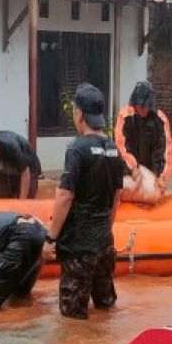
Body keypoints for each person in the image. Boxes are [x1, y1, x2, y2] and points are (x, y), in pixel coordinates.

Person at [43, 83, 125, 320]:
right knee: (105, 309)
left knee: (72, 321)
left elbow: (65, 195)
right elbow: (116, 197)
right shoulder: (113, 149)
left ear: (78, 114)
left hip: (79, 248)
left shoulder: (77, 149)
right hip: (105, 246)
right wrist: (104, 232)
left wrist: (50, 239)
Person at [114, 81, 172, 188]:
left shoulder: (160, 120)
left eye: (146, 107)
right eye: (140, 106)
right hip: (129, 172)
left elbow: (165, 150)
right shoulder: (124, 117)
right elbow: (121, 146)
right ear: (134, 104)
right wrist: (133, 168)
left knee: (154, 194)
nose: (143, 110)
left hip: (152, 174)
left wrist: (161, 176)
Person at [0, 130, 42, 199]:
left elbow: (25, 173)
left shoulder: (10, 146)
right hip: (4, 170)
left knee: (26, 203)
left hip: (28, 169)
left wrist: (22, 202)